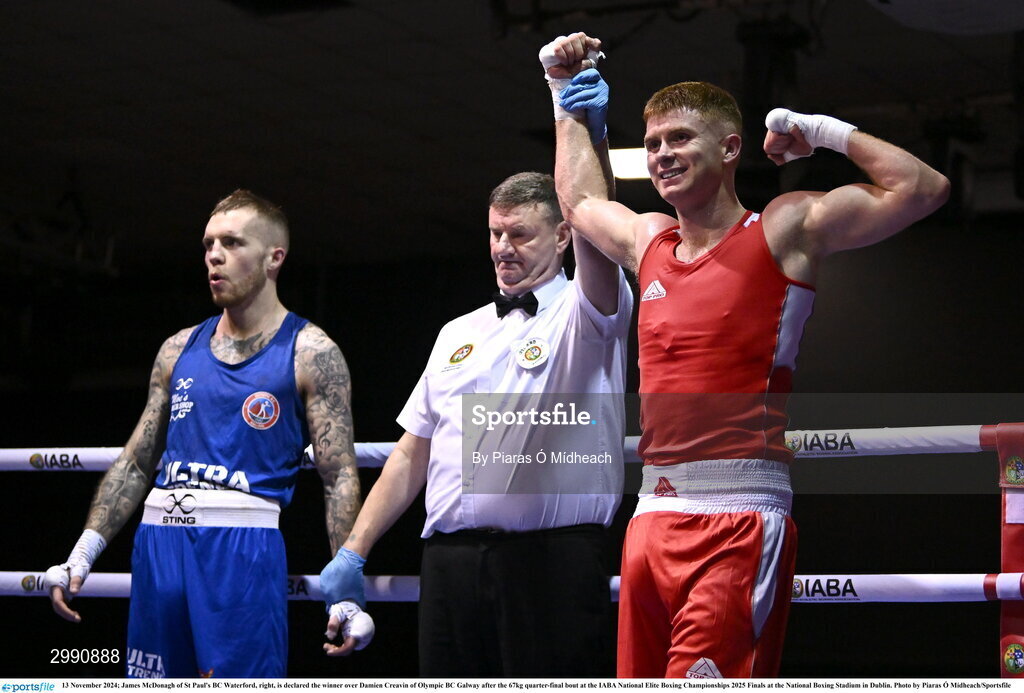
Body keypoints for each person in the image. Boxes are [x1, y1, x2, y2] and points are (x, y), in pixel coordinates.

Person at [541, 33, 950, 678]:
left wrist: (823, 132)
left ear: (730, 147)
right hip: (651, 515)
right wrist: (565, 95)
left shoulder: (784, 229)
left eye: (679, 139)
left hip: (738, 517)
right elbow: (581, 205)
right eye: (652, 145)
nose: (661, 156)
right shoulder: (648, 239)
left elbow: (922, 189)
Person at [44, 189, 370, 678]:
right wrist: (82, 553)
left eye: (233, 243)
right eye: (208, 244)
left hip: (241, 550)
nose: (214, 256)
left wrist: (345, 590)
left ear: (273, 257)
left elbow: (339, 475)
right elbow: (135, 461)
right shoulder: (177, 349)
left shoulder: (311, 352)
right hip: (158, 545)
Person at [320, 172, 633, 676]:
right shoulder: (457, 332)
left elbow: (593, 213)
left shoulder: (588, 312)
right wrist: (355, 551)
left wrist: (578, 126)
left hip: (551, 563)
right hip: (451, 563)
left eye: (521, 234)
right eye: (495, 233)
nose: (503, 248)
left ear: (562, 235)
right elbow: (410, 452)